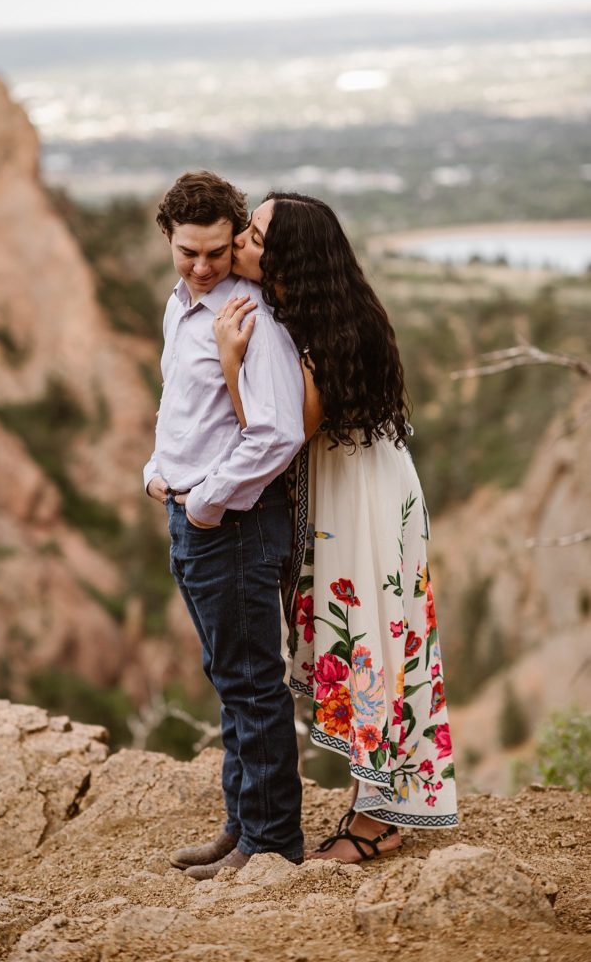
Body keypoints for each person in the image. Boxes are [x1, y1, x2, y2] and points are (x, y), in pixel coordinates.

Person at [214, 192, 458, 863]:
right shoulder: (323, 314)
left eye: (255, 237)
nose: (240, 242)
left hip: (363, 504)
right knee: (372, 640)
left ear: (289, 255)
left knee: (370, 643)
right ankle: (377, 801)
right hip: (364, 488)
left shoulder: (327, 335)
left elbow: (282, 438)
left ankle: (377, 821)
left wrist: (232, 368)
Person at [143, 172, 306, 879]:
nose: (203, 266)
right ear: (169, 241)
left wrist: (206, 500)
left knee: (251, 682)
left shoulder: (250, 315)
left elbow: (278, 433)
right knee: (229, 677)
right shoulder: (182, 306)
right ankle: (242, 829)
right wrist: (157, 470)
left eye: (216, 251)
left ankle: (270, 845)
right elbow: (180, 400)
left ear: (235, 238)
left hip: (233, 524)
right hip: (191, 516)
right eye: (188, 252)